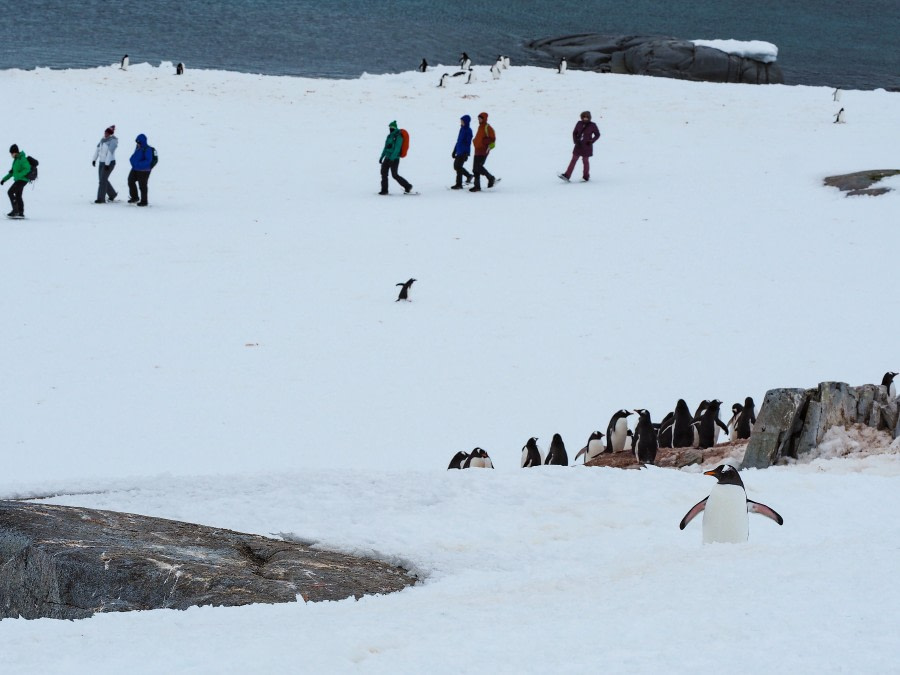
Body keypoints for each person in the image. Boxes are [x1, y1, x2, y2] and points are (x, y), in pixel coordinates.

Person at [559, 111, 601, 182]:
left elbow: (597, 134)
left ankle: (586, 176)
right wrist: (575, 141)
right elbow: (574, 133)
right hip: (578, 145)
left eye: (587, 117)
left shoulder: (592, 125)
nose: (585, 118)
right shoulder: (579, 123)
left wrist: (591, 141)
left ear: (589, 117)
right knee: (573, 160)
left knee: (585, 161)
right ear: (581, 117)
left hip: (587, 146)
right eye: (584, 116)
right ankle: (567, 175)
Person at [378, 121, 412, 195]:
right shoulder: (389, 136)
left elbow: (397, 149)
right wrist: (382, 157)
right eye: (390, 127)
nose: (391, 129)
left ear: (395, 128)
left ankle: (408, 186)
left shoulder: (399, 136)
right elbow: (385, 147)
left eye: (392, 127)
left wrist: (392, 159)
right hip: (387, 158)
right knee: (383, 173)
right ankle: (384, 190)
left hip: (394, 159)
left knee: (394, 175)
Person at [1, 144, 30, 218]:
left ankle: (16, 211)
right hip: (19, 180)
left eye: (11, 153)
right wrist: (4, 179)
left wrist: (19, 175)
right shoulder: (16, 160)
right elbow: (12, 172)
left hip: (22, 180)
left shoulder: (22, 159)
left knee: (10, 192)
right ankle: (20, 213)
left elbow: (27, 168)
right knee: (18, 196)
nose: (11, 155)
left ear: (15, 152)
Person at [127, 133, 157, 206]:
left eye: (139, 142)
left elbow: (148, 160)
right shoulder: (138, 147)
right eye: (137, 142)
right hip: (135, 168)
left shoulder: (147, 149)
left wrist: (138, 164)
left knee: (142, 185)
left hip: (144, 170)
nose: (137, 143)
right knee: (130, 181)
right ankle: (135, 197)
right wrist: (132, 160)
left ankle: (144, 201)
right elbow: (135, 156)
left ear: (142, 142)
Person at [470, 112, 496, 192]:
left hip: (483, 150)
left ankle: (490, 178)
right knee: (475, 169)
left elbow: (493, 138)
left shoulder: (488, 127)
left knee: (478, 166)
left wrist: (484, 141)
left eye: (480, 118)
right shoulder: (480, 127)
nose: (479, 119)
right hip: (477, 149)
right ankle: (477, 186)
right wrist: (475, 141)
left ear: (484, 118)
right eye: (478, 118)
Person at [92, 125, 119, 203]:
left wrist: (107, 164)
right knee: (102, 179)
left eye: (107, 133)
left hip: (110, 163)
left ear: (110, 134)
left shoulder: (113, 141)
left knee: (102, 180)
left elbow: (110, 153)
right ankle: (112, 194)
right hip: (101, 162)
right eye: (105, 132)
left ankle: (101, 199)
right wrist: (94, 159)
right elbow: (97, 150)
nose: (105, 134)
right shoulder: (102, 140)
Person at [451, 114, 473, 189]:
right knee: (456, 166)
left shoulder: (468, 130)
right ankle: (468, 176)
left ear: (466, 122)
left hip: (463, 152)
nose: (461, 122)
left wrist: (466, 153)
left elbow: (468, 143)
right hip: (459, 151)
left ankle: (459, 184)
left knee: (458, 167)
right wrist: (454, 150)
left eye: (462, 121)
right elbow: (458, 141)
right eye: (461, 121)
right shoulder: (462, 129)